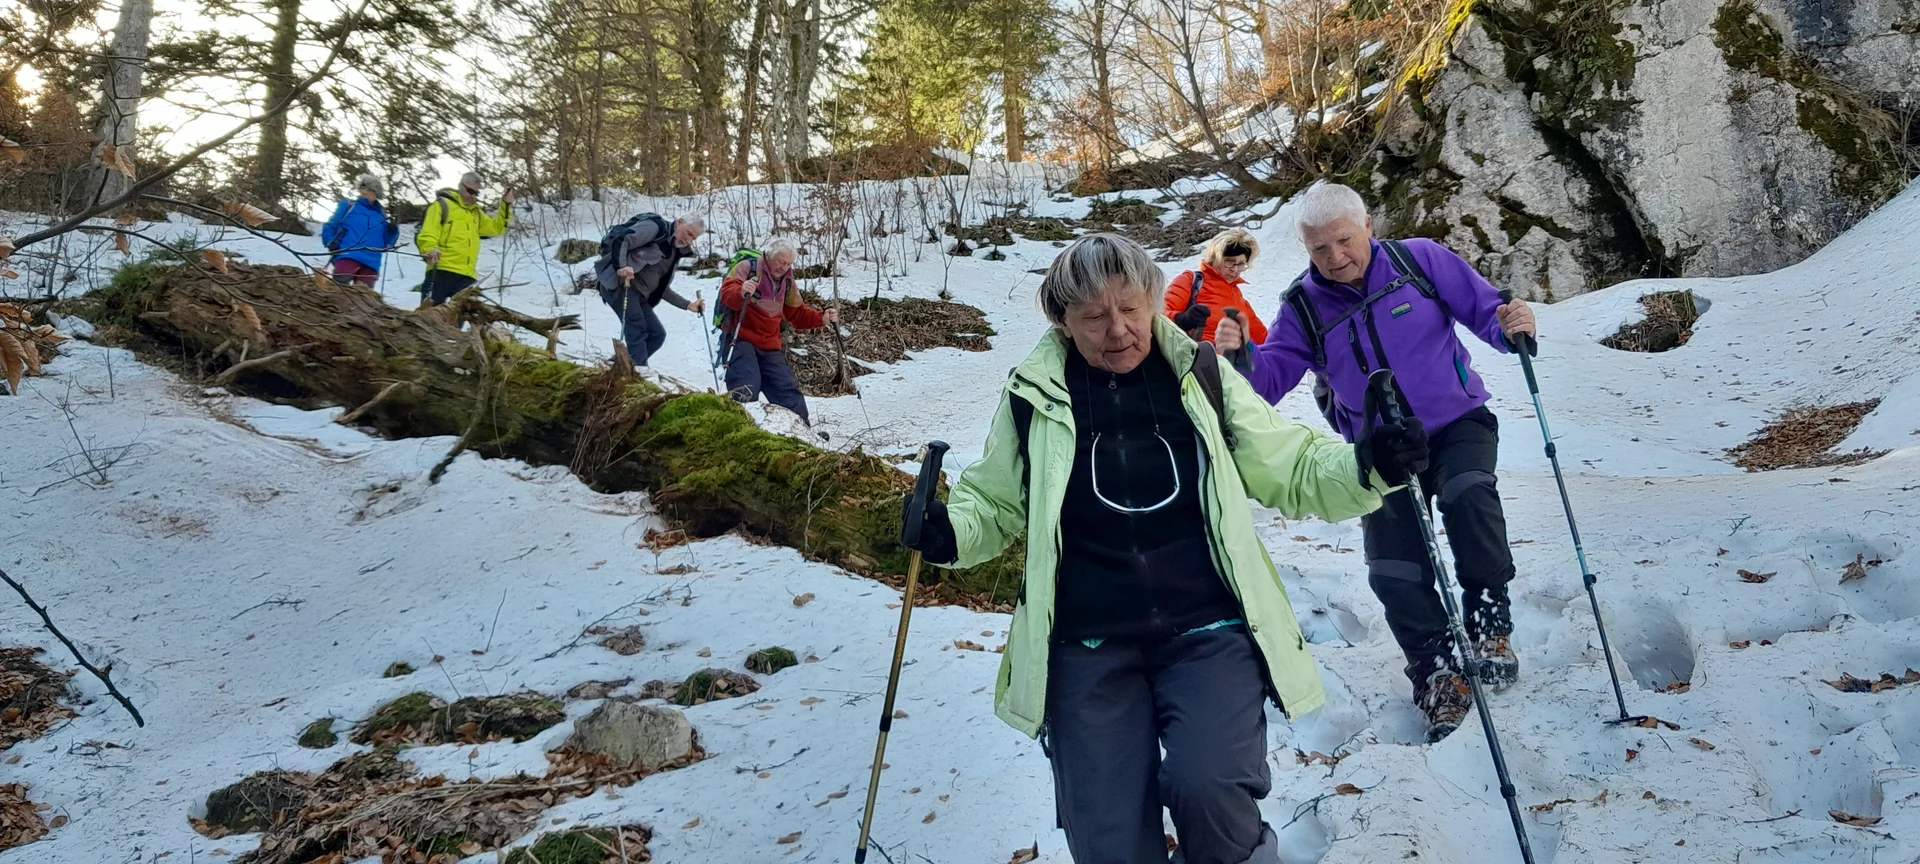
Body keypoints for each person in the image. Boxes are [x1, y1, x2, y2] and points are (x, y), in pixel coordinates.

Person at [901, 233, 1429, 864]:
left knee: (1211, 787)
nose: (1118, 329)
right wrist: (950, 532)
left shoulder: (1200, 376)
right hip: (1085, 642)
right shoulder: (1033, 396)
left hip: (1208, 630)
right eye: (1094, 316)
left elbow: (1291, 465)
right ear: (1063, 322)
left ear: (1153, 301)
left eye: (1131, 308)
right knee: (1107, 831)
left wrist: (1369, 465)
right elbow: (992, 504)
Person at [1236, 180, 1537, 742]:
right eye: (1319, 249)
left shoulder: (1419, 260)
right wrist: (1237, 359)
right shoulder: (1303, 305)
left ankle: (1489, 621)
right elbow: (1269, 379)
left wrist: (1510, 326)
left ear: (1368, 226)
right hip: (1382, 451)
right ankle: (1436, 671)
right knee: (1393, 566)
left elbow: (1485, 309)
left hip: (1457, 422)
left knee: (1468, 493)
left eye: (1344, 241)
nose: (1334, 257)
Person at [716, 238, 838, 423]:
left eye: (789, 264)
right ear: (769, 256)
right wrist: (741, 291)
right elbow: (727, 295)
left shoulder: (787, 281)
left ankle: (802, 432)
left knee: (787, 390)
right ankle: (741, 430)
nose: (784, 267)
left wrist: (821, 318)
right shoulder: (747, 268)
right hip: (740, 340)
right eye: (781, 262)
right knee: (746, 387)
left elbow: (797, 314)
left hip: (769, 346)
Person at [593, 213, 707, 369]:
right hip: (620, 284)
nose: (688, 240)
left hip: (639, 294)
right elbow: (622, 239)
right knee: (637, 329)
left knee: (656, 334)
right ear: (679, 222)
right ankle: (639, 372)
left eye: (693, 238)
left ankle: (616, 368)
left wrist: (687, 305)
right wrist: (621, 267)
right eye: (688, 233)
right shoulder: (655, 227)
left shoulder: (673, 252)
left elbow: (662, 288)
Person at [1164, 227, 1268, 358]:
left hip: (1231, 367)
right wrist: (1182, 319)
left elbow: (1265, 339)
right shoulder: (1191, 281)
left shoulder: (1239, 300)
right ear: (1214, 258)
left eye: (1241, 264)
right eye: (1230, 262)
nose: (1235, 269)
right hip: (1195, 361)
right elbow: (1157, 316)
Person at [415, 171, 515, 306]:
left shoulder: (476, 213)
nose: (473, 196)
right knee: (431, 315)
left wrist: (506, 205)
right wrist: (430, 249)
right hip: (440, 270)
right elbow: (428, 233)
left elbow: (497, 228)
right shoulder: (442, 205)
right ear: (460, 186)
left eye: (477, 193)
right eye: (470, 191)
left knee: (463, 317)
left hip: (467, 276)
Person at [319, 174, 398, 286]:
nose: (365, 192)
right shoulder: (349, 206)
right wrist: (330, 242)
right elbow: (331, 225)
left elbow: (387, 242)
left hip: (372, 260)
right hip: (348, 254)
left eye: (370, 189)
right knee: (338, 289)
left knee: (363, 295)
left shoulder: (381, 214)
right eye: (363, 188)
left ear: (376, 192)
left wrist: (393, 232)